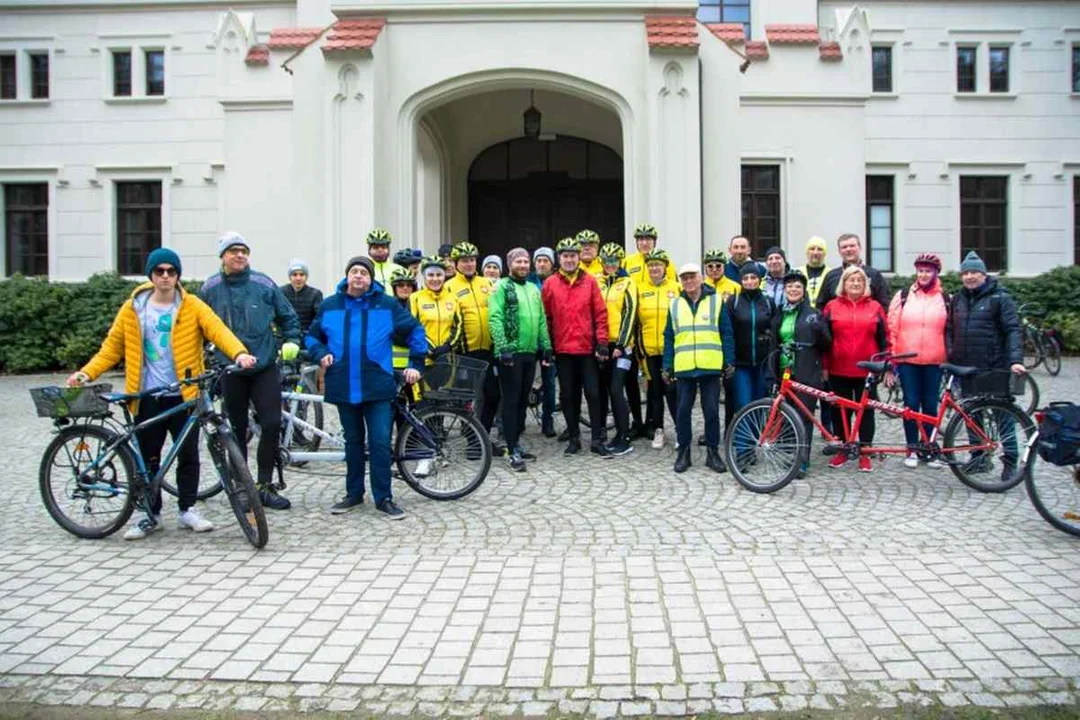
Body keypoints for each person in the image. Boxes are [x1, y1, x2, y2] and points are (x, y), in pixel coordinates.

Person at [69, 248, 256, 539]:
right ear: (151, 275)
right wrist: (86, 373)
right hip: (146, 394)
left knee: (188, 456)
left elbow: (218, 330)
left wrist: (240, 353)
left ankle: (187, 510)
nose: (166, 276)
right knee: (149, 456)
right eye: (160, 271)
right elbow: (111, 348)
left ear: (178, 275)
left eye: (171, 271)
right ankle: (149, 514)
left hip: (184, 393)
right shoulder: (133, 308)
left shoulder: (192, 305)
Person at [306, 256, 426, 519]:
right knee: (353, 442)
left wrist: (416, 363)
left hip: (377, 385)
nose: (358, 276)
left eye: (363, 272)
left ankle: (384, 497)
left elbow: (415, 330)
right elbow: (312, 336)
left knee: (381, 442)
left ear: (371, 279)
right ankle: (354, 493)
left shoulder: (386, 305)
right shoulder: (330, 305)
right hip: (344, 383)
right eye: (354, 271)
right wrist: (320, 353)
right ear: (347, 276)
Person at [200, 231, 300, 510]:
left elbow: (288, 316)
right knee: (236, 430)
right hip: (230, 369)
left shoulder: (263, 283)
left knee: (271, 424)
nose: (239, 255)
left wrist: (291, 340)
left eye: (243, 250)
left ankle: (265, 485)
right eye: (233, 251)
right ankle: (243, 489)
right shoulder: (209, 288)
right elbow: (198, 326)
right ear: (223, 256)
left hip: (264, 365)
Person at [946, 251, 1026, 482]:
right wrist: (952, 353)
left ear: (983, 274)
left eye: (974, 272)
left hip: (995, 366)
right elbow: (950, 329)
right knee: (971, 415)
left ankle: (1010, 460)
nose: (969, 277)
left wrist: (1015, 361)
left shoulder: (1000, 298)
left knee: (1003, 416)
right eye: (966, 273)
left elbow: (1012, 330)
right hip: (967, 367)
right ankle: (979, 457)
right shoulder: (959, 299)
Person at [662, 263, 735, 474]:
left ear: (700, 278)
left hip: (710, 365)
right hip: (684, 367)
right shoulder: (674, 304)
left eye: (692, 277)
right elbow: (669, 337)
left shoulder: (716, 302)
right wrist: (667, 365)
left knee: (711, 410)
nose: (688, 281)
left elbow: (726, 333)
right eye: (684, 278)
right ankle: (683, 451)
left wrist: (729, 361)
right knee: (683, 411)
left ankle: (713, 452)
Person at [542, 237, 610, 456]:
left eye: (573, 255)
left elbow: (600, 313)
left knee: (593, 393)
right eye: (565, 256)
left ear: (579, 257)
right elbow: (546, 318)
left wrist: (602, 341)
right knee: (568, 396)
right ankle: (574, 437)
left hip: (587, 350)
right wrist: (547, 345)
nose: (569, 260)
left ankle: (597, 438)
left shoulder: (590, 281)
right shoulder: (550, 283)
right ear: (559, 259)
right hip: (563, 351)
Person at [489, 247, 553, 471]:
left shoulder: (534, 288)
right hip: (510, 353)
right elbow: (495, 317)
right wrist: (503, 346)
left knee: (523, 400)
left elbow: (542, 319)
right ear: (510, 265)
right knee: (511, 399)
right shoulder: (502, 287)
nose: (524, 266)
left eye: (526, 262)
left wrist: (546, 346)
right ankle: (510, 446)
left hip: (529, 352)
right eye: (519, 262)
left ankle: (515, 441)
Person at [886, 253, 950, 469]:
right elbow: (892, 328)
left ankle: (929, 448)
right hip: (907, 360)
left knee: (931, 406)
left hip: (934, 360)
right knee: (910, 405)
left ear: (935, 273)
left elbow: (951, 330)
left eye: (928, 271)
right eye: (920, 270)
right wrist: (893, 359)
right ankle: (912, 447)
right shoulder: (904, 296)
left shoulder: (945, 298)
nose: (923, 275)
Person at [822, 265, 887, 472]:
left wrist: (886, 366)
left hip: (866, 370)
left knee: (866, 412)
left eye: (859, 280)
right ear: (844, 283)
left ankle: (865, 451)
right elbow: (824, 339)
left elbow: (884, 337)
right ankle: (843, 449)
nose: (856, 283)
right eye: (851, 280)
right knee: (839, 411)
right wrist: (824, 366)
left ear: (865, 284)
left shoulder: (875, 307)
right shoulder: (832, 306)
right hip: (838, 367)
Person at [767, 270, 832, 474]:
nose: (793, 290)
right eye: (789, 287)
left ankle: (802, 460)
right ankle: (789, 454)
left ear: (803, 292)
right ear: (784, 290)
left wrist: (821, 329)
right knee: (785, 415)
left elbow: (826, 343)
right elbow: (774, 343)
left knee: (804, 416)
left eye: (797, 287)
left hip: (807, 372)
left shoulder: (813, 314)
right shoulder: (780, 314)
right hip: (785, 372)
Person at [446, 241, 500, 441]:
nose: (469, 264)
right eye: (464, 261)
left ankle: (482, 435)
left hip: (488, 349)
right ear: (457, 263)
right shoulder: (449, 286)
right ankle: (471, 440)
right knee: (465, 399)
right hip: (464, 352)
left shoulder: (486, 283)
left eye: (472, 260)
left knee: (493, 395)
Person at [635, 249, 680, 450]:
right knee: (654, 392)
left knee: (672, 391)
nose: (654, 268)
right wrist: (639, 351)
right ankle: (658, 429)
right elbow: (635, 322)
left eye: (658, 265)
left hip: (671, 351)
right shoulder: (639, 289)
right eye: (651, 265)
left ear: (665, 267)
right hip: (649, 351)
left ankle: (681, 429)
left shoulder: (676, 288)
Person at [597, 242, 638, 456]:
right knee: (604, 390)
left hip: (622, 347)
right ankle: (608, 432)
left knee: (616, 389)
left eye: (614, 261)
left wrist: (621, 344)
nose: (610, 264)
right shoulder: (597, 282)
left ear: (620, 262)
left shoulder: (627, 282)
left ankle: (624, 436)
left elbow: (630, 313)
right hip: (603, 345)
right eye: (606, 261)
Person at [725, 262, 775, 417]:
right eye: (745, 278)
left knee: (760, 405)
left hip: (762, 363)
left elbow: (773, 330)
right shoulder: (734, 301)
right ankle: (742, 441)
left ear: (759, 279)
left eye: (753, 277)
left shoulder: (768, 302)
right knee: (743, 404)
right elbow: (728, 332)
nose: (749, 281)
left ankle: (757, 439)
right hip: (741, 364)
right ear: (741, 280)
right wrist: (729, 360)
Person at [814, 233, 890, 310]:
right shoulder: (831, 276)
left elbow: (884, 305)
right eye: (844, 247)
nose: (848, 249)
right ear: (839, 251)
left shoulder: (874, 275)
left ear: (859, 248)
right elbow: (821, 306)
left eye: (852, 246)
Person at [529, 246, 558, 437]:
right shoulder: (527, 280)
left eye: (545, 260)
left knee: (550, 384)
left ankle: (548, 421)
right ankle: (519, 422)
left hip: (550, 341)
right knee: (523, 383)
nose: (541, 263)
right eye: (538, 260)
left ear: (552, 264)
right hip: (530, 341)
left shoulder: (556, 281)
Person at [410, 255, 463, 360]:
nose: (435, 279)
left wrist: (448, 346)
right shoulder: (415, 298)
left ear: (444, 276)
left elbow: (458, 326)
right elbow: (413, 327)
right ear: (424, 276)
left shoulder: (453, 298)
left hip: (447, 358)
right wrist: (430, 349)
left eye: (439, 275)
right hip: (423, 358)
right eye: (430, 275)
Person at [280, 259, 323, 335]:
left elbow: (319, 318)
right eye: (294, 274)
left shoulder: (315, 294)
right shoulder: (281, 292)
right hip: (286, 336)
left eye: (302, 274)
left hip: (308, 336)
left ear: (306, 277)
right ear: (290, 277)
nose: (298, 278)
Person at [388, 268, 419, 371]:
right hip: (394, 364)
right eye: (401, 285)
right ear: (394, 288)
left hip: (416, 363)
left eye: (409, 285)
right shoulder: (388, 307)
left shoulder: (420, 304)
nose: (405, 288)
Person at [795, 237, 832, 307]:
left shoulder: (832, 274)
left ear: (825, 253)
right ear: (807, 252)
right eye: (812, 249)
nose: (815, 252)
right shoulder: (797, 272)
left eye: (820, 249)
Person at [365, 228, 404, 294]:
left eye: (383, 247)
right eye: (376, 247)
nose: (380, 250)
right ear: (369, 250)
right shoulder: (365, 271)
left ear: (388, 249)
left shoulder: (399, 269)